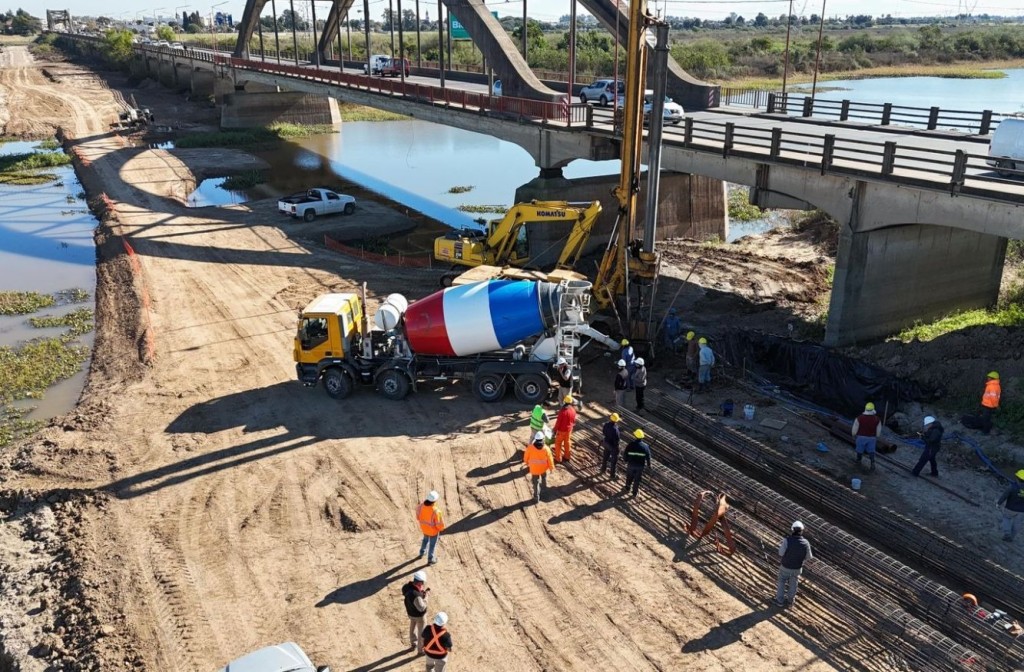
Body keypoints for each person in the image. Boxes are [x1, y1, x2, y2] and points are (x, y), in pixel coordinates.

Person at [776, 521, 813, 608]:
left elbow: (781, 553)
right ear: (802, 531)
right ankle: (790, 602)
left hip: (785, 567)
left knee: (781, 582)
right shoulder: (806, 543)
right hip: (797, 569)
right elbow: (809, 557)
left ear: (792, 530)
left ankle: (779, 601)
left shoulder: (787, 540)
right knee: (793, 584)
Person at [523, 431, 556, 504]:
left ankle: (536, 497)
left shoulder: (530, 448)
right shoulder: (546, 448)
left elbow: (526, 457)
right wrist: (551, 468)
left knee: (536, 483)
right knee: (543, 477)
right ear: (543, 439)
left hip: (534, 469)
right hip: (543, 468)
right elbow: (550, 459)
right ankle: (544, 489)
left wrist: (526, 462)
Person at [402, 570, 429, 653]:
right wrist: (426, 598)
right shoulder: (416, 595)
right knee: (422, 632)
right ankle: (421, 649)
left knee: (412, 626)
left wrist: (421, 593)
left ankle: (413, 642)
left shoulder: (406, 587)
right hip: (419, 617)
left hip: (410, 613)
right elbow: (422, 608)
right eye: (422, 583)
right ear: (419, 582)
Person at [621, 429, 652, 498]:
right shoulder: (645, 446)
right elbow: (648, 457)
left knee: (629, 476)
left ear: (635, 436)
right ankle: (634, 493)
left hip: (631, 464)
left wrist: (625, 460)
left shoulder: (631, 444)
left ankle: (627, 488)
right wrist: (649, 465)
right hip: (640, 466)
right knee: (637, 479)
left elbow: (625, 453)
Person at [851, 402, 882, 471]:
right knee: (871, 451)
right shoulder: (877, 419)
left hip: (861, 437)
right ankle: (872, 463)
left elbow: (855, 428)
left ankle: (858, 460)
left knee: (859, 449)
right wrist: (877, 436)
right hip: (872, 438)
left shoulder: (859, 418)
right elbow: (878, 430)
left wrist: (853, 434)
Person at [416, 491, 445, 564]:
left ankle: (422, 553)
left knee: (425, 540)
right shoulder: (436, 511)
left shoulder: (420, 506)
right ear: (434, 501)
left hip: (424, 528)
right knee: (432, 545)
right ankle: (430, 559)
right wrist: (441, 529)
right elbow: (440, 525)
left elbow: (418, 517)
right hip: (433, 532)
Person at [996, 469, 1024, 542]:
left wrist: (998, 503)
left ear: (1017, 478)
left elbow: (1005, 495)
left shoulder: (1012, 487)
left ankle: (1007, 533)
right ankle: (1011, 537)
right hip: (1022, 511)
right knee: (1017, 525)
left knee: (1006, 519)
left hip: (1010, 508)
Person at [553, 395, 577, 463]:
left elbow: (558, 423)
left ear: (564, 402)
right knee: (567, 443)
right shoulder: (573, 410)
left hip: (561, 431)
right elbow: (574, 420)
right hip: (569, 430)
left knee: (558, 444)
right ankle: (567, 456)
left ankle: (558, 458)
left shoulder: (562, 411)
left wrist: (554, 430)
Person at [599, 413, 622, 479]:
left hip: (606, 443)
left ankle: (603, 469)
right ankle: (612, 475)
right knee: (614, 461)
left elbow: (603, 432)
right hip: (613, 446)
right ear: (616, 420)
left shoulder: (606, 425)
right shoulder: (616, 430)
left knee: (605, 457)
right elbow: (616, 440)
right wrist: (617, 448)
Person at [980, 371, 1001, 435]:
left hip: (988, 405)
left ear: (993, 378)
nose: (988, 378)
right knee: (987, 418)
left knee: (986, 419)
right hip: (988, 404)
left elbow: (993, 397)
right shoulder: (995, 385)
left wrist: (996, 405)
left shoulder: (992, 386)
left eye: (989, 377)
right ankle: (986, 428)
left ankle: (985, 431)